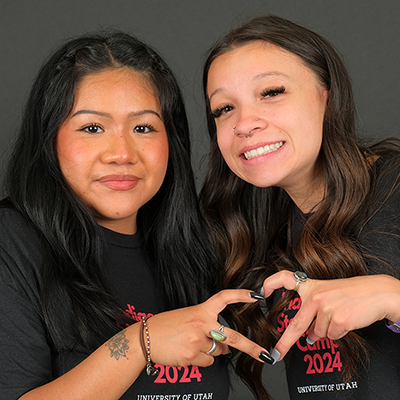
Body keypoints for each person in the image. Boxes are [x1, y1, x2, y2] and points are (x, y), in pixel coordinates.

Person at [0, 30, 273, 400]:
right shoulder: (11, 245)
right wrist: (140, 343)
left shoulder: (203, 248)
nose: (122, 153)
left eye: (143, 127)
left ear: (171, 141)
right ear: (49, 138)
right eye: (92, 127)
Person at [200, 14, 400, 400]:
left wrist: (392, 298)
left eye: (271, 92)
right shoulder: (249, 230)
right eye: (224, 108)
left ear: (326, 95)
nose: (243, 123)